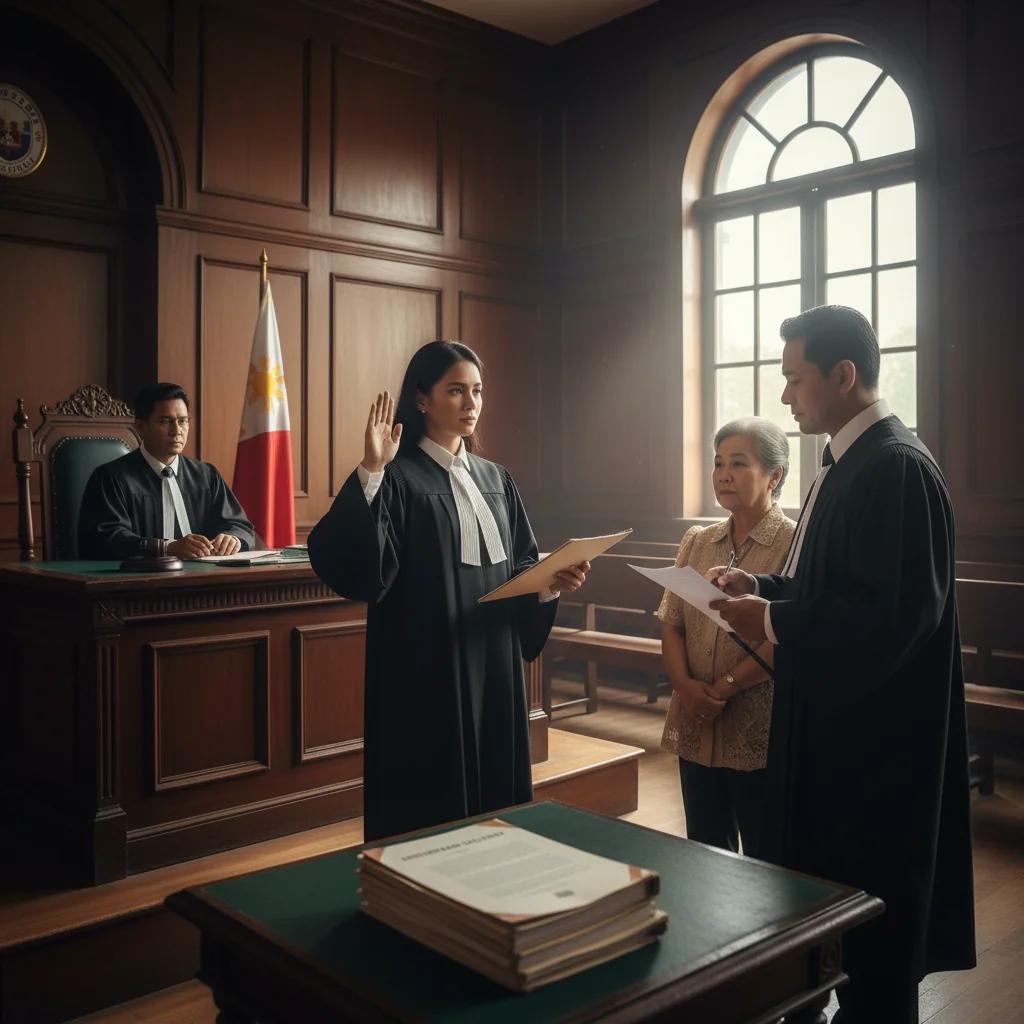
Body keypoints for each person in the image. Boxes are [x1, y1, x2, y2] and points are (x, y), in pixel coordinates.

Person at [708, 306, 975, 1024]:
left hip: (874, 756)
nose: (787, 395)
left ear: (844, 375)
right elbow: (828, 589)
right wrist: (761, 588)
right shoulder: (848, 464)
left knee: (876, 959)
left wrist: (767, 619)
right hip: (830, 740)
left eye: (796, 379)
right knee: (826, 923)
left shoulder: (896, 468)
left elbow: (890, 623)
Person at [307, 341, 589, 842]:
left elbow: (523, 560)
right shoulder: (394, 476)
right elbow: (350, 560)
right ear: (421, 400)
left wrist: (550, 583)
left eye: (477, 391)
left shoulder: (496, 479)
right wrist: (371, 471)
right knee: (430, 800)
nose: (470, 403)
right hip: (425, 666)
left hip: (494, 657)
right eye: (455, 390)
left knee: (496, 801)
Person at [658, 418, 795, 858]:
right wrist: (684, 687)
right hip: (695, 714)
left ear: (775, 475)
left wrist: (724, 688)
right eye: (718, 463)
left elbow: (788, 632)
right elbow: (672, 620)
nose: (723, 474)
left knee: (764, 853)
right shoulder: (698, 540)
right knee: (703, 845)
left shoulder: (795, 542)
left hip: (757, 718)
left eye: (739, 463)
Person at [78, 383, 255, 560]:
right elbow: (106, 539)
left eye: (182, 421)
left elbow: (240, 525)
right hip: (138, 582)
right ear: (141, 426)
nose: (176, 431)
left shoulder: (206, 476)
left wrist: (233, 538)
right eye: (165, 421)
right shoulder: (111, 478)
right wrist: (166, 548)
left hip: (202, 580)